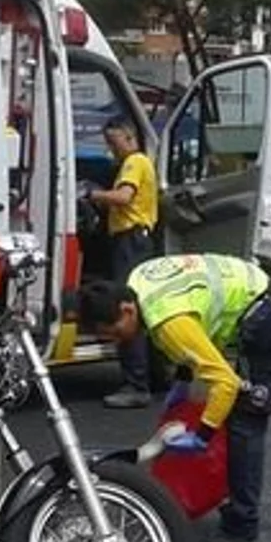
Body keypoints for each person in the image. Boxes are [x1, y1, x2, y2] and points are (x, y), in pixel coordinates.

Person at [80, 253, 271, 542]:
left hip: (266, 315)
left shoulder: (166, 321)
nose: (118, 341)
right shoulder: (137, 280)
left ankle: (242, 528)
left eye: (115, 333)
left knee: (246, 421)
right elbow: (197, 323)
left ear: (127, 310)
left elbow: (225, 382)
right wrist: (183, 381)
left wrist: (203, 435)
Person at [83, 117, 160, 409]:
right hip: (133, 240)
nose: (111, 150)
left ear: (129, 138)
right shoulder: (138, 162)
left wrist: (92, 194)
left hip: (131, 242)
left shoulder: (135, 162)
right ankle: (144, 377)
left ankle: (136, 384)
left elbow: (124, 197)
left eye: (114, 143)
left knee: (126, 312)